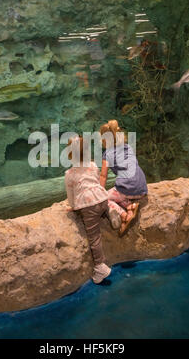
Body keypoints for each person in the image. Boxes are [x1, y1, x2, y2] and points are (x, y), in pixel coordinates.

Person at [65, 136, 116, 284]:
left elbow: (71, 196)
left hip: (89, 206)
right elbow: (96, 180)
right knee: (103, 204)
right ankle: (110, 211)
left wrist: (73, 207)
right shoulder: (93, 165)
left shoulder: (70, 174)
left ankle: (100, 266)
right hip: (102, 197)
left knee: (94, 237)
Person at [100, 120, 148, 236]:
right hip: (142, 189)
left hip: (127, 188)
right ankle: (131, 206)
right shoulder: (127, 147)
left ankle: (124, 215)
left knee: (104, 199)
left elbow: (103, 175)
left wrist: (99, 192)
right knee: (121, 189)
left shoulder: (107, 154)